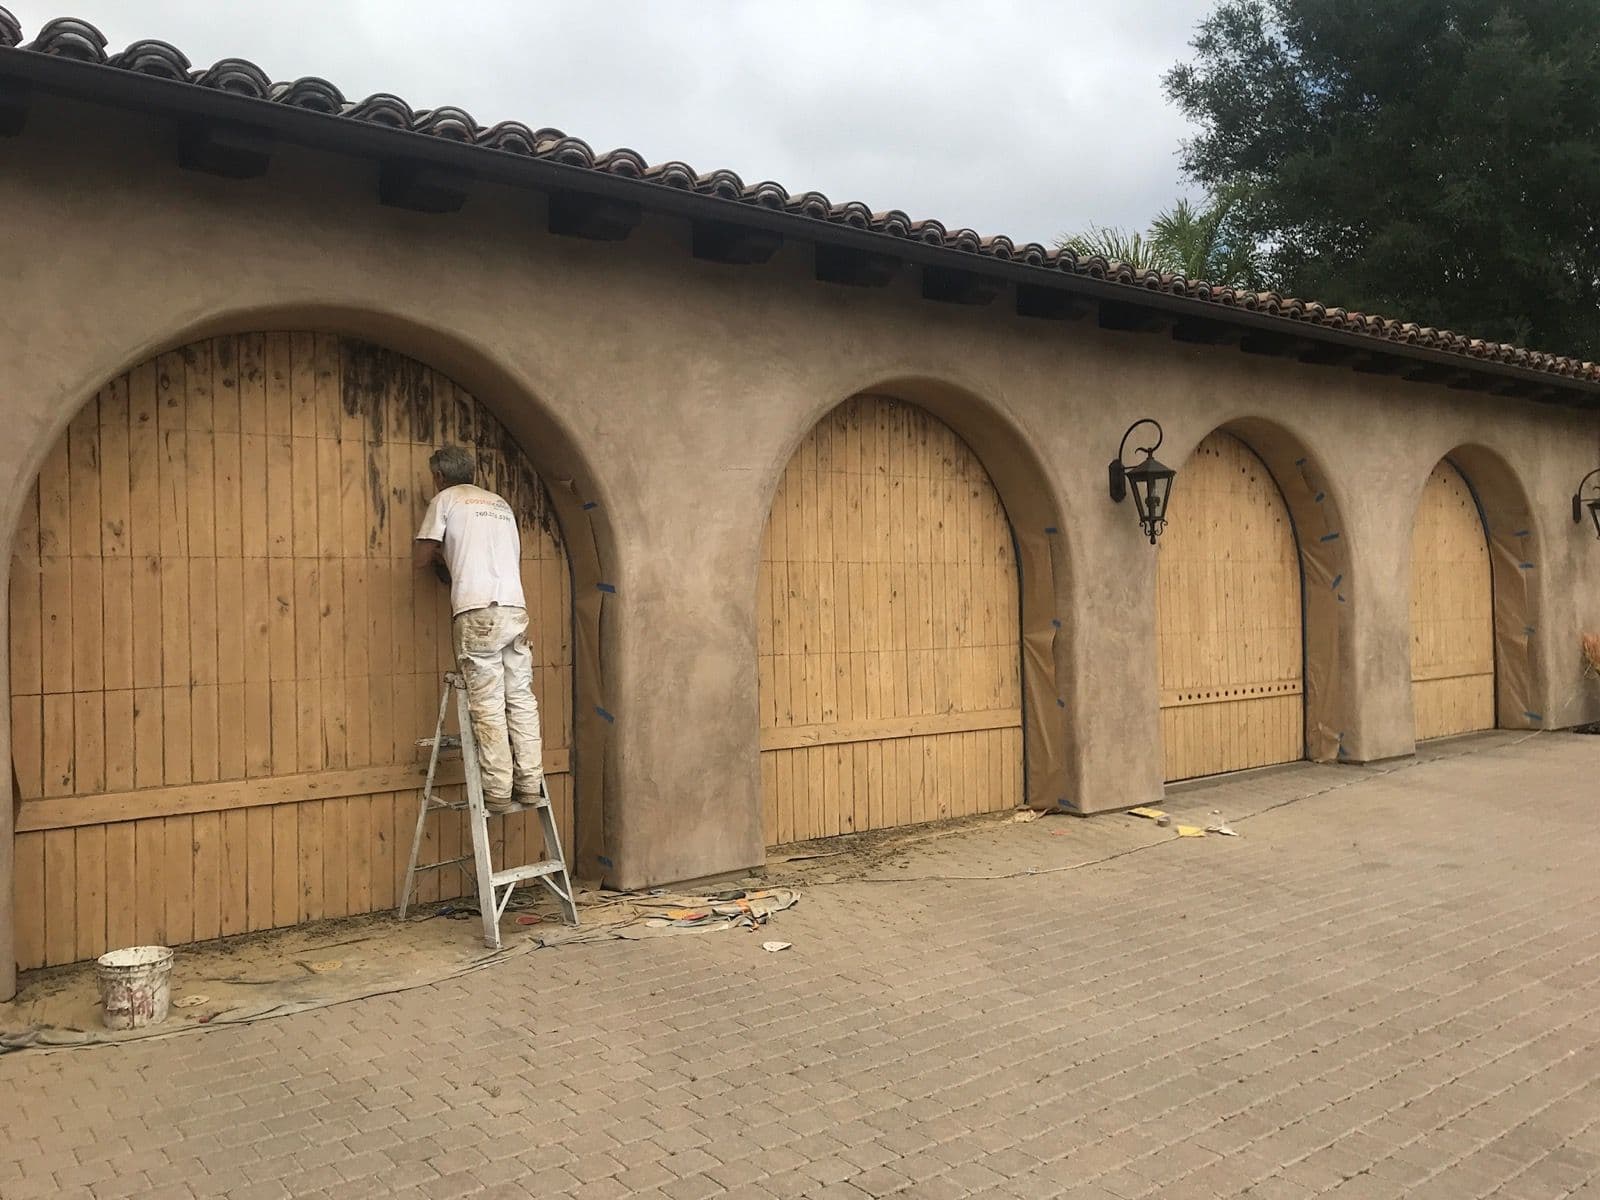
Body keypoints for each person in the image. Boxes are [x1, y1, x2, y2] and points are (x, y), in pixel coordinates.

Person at [413, 445, 543, 814]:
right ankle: (530, 785)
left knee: (486, 702)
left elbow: (421, 558)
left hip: (477, 609)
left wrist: (439, 555)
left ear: (439, 476)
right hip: (514, 608)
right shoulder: (499, 503)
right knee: (519, 698)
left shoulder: (446, 499)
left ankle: (499, 792)